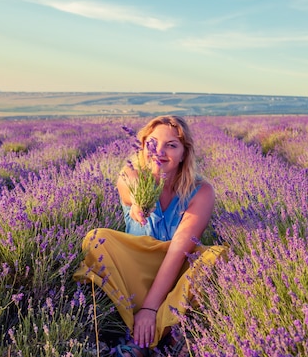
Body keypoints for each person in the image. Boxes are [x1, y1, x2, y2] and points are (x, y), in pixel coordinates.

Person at [74, 115, 225, 357]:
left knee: (219, 256)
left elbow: (177, 251)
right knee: (95, 239)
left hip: (176, 271)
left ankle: (142, 341)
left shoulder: (201, 191)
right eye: (152, 143)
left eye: (171, 145)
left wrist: (149, 308)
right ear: (143, 147)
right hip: (136, 271)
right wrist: (137, 201)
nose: (159, 151)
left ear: (184, 153)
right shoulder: (131, 174)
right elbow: (128, 186)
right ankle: (168, 333)